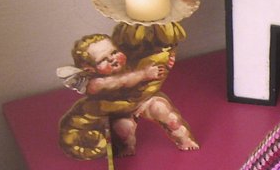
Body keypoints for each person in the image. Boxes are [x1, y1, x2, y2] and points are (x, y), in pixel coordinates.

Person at [58, 33, 198, 159]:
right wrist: (144, 74)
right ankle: (127, 147)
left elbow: (152, 59)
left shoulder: (129, 63)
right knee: (122, 129)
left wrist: (166, 59)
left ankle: (184, 140)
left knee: (162, 109)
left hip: (141, 101)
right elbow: (121, 81)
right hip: (119, 110)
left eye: (114, 52)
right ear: (89, 69)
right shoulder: (96, 83)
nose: (112, 59)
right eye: (103, 60)